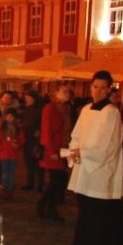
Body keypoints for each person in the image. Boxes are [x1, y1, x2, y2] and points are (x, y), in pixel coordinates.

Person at [61, 70, 123, 245]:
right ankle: (111, 243)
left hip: (101, 170)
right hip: (84, 165)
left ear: (109, 89)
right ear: (90, 87)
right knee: (93, 209)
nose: (98, 91)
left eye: (103, 88)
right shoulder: (87, 109)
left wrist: (85, 153)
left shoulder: (111, 112)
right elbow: (76, 134)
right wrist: (74, 149)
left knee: (97, 210)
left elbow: (109, 145)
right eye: (96, 87)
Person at [37, 84, 73, 223]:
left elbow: (68, 129)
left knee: (59, 181)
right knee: (56, 181)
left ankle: (43, 205)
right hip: (52, 150)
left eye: (69, 92)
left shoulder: (67, 108)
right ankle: (50, 210)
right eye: (64, 91)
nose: (67, 94)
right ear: (56, 93)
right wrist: (52, 151)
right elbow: (46, 131)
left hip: (63, 149)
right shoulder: (50, 108)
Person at [0, 108, 24, 201]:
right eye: (7, 116)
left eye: (11, 116)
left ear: (14, 117)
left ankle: (9, 192)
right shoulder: (2, 128)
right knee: (4, 173)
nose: (9, 118)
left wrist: (17, 144)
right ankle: (4, 191)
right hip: (4, 154)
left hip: (13, 154)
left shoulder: (17, 128)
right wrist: (2, 147)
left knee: (11, 174)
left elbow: (22, 139)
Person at [21, 90, 44, 192]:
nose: (27, 99)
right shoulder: (27, 109)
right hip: (27, 137)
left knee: (37, 161)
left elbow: (42, 122)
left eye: (29, 97)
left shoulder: (40, 109)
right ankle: (30, 182)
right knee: (29, 161)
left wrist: (39, 130)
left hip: (36, 138)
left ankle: (40, 184)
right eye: (26, 97)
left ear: (34, 99)